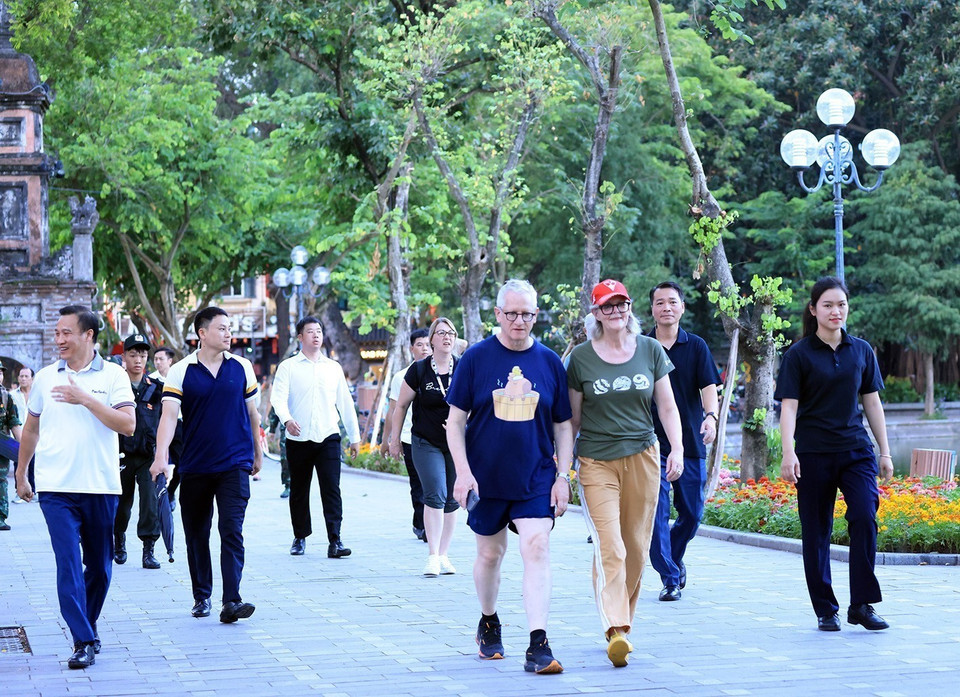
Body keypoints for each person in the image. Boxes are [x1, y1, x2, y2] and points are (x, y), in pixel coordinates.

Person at [447, 279, 574, 675]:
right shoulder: (476, 359)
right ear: (498, 314)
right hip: (485, 478)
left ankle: (538, 642)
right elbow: (454, 422)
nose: (520, 321)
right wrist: (463, 472)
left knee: (536, 546)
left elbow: (564, 426)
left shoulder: (550, 362)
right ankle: (488, 620)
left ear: (536, 316)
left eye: (528, 314)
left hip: (535, 476)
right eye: (512, 313)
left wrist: (563, 475)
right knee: (490, 554)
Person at [566, 279, 684, 668]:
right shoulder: (581, 358)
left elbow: (666, 407)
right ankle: (616, 628)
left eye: (622, 305)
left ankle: (623, 622)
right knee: (610, 546)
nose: (616, 312)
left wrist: (677, 448)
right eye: (607, 306)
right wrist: (563, 465)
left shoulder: (649, 349)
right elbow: (572, 419)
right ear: (596, 313)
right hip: (597, 461)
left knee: (635, 546)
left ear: (629, 308)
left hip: (644, 457)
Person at [16, 305, 136, 669]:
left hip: (100, 485)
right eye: (56, 333)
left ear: (89, 335)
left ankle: (88, 623)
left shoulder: (114, 375)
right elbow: (32, 430)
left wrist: (85, 397)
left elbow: (128, 425)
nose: (59, 340)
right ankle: (82, 639)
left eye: (66, 332)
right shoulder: (46, 377)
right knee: (68, 563)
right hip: (55, 488)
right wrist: (22, 472)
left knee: (99, 567)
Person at [775, 277, 893, 633]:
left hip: (856, 450)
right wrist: (788, 452)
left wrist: (884, 452)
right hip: (812, 454)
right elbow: (789, 408)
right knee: (816, 531)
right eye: (827, 305)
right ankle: (826, 608)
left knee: (863, 516)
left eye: (841, 304)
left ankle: (862, 604)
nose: (835, 311)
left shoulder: (861, 350)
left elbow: (872, 401)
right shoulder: (798, 354)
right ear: (813, 310)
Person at [150, 307, 262, 623]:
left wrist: (258, 451)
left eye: (229, 329)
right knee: (197, 533)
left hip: (234, 464)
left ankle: (232, 600)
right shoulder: (181, 371)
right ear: (202, 333)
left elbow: (253, 415)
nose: (229, 333)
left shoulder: (242, 367)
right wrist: (162, 457)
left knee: (231, 529)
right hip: (195, 465)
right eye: (222, 328)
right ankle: (202, 596)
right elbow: (168, 417)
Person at [646, 282, 721, 602]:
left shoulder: (697, 346)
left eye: (672, 302)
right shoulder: (640, 345)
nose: (666, 307)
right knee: (656, 514)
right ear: (651, 309)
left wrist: (711, 418)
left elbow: (709, 388)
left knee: (692, 514)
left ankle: (674, 557)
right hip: (648, 444)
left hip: (690, 441)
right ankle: (670, 578)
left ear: (682, 307)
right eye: (659, 302)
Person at [270, 316, 360, 558]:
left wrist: (354, 437)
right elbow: (277, 398)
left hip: (328, 436)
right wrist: (287, 419)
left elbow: (345, 403)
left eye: (319, 331)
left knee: (331, 489)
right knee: (299, 489)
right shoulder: (288, 367)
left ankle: (335, 540)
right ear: (300, 337)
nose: (316, 335)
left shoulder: (333, 368)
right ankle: (300, 537)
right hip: (299, 438)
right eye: (310, 331)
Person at [389, 319, 459, 576]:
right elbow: (400, 407)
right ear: (431, 339)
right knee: (434, 493)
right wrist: (394, 439)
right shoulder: (418, 371)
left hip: (456, 443)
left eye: (450, 333)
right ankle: (431, 555)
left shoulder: (463, 368)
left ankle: (444, 554)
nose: (446, 337)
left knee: (452, 499)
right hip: (424, 441)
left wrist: (463, 426)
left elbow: (476, 405)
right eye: (441, 333)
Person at [113, 334, 164, 569]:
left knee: (149, 502)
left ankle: (149, 549)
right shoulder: (115, 386)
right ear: (124, 357)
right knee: (122, 503)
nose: (138, 360)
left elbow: (167, 422)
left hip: (148, 456)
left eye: (143, 355)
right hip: (121, 454)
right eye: (133, 355)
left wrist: (165, 456)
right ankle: (118, 539)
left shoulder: (157, 389)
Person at [382, 328, 432, 541]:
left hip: (436, 437)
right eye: (419, 345)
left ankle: (425, 522)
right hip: (409, 437)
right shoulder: (401, 377)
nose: (424, 349)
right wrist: (389, 440)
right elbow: (393, 410)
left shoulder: (444, 372)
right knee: (418, 483)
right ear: (411, 349)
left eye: (428, 345)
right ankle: (422, 525)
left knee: (434, 483)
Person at [150, 347, 183, 510]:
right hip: (156, 426)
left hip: (178, 425)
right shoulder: (150, 380)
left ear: (170, 361)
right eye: (155, 359)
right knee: (157, 460)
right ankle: (157, 497)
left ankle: (171, 491)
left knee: (182, 464)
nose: (157, 362)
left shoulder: (178, 377)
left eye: (160, 359)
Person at [1, 364, 24, 530]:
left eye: (1, 372)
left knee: (1, 480)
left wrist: (23, 450)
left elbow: (14, 424)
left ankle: (0, 517)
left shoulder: (7, 398)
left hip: (1, 446)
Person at [267, 406, 291, 498]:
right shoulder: (284, 391)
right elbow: (276, 407)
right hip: (286, 430)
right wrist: (272, 429)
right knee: (285, 458)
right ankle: (288, 485)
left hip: (304, 429)